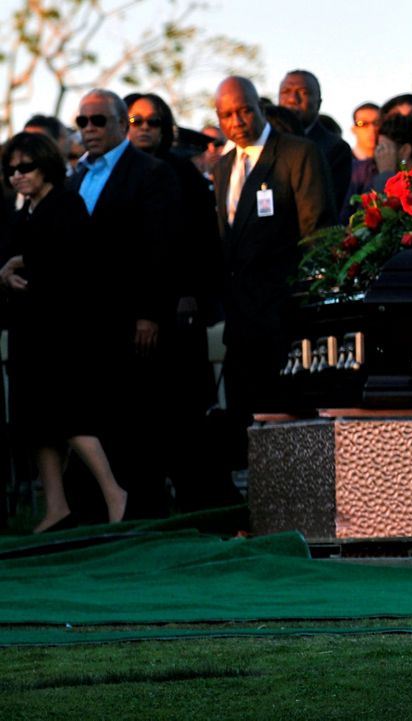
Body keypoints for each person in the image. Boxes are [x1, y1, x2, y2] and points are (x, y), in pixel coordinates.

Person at [0, 132, 129, 532]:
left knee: (70, 417)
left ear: (46, 166)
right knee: (37, 423)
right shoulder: (25, 212)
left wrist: (20, 261)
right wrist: (5, 270)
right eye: (11, 170)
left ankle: (114, 493)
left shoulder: (67, 204)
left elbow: (75, 260)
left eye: (26, 167)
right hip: (30, 331)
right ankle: (56, 506)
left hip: (63, 333)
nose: (17, 176)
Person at [124, 92, 242, 512]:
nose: (143, 127)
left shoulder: (182, 174)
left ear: (166, 127)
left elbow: (204, 244)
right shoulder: (115, 175)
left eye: (153, 121)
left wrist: (192, 293)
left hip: (179, 316)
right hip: (125, 316)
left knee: (186, 414)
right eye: (135, 119)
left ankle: (202, 502)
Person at [67, 87, 181, 520]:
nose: (90, 129)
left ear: (120, 124)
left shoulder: (150, 172)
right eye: (83, 122)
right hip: (85, 321)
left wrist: (150, 313)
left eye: (99, 121)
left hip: (131, 316)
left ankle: (143, 512)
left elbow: (161, 249)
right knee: (95, 412)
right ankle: (98, 512)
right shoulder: (76, 177)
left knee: (136, 416)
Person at [211, 76, 334, 464]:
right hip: (240, 316)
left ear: (259, 107)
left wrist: (300, 299)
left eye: (245, 110)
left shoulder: (297, 153)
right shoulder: (223, 166)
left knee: (287, 417)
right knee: (244, 418)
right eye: (227, 114)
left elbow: (317, 232)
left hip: (284, 313)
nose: (237, 121)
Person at [279, 70, 351, 212]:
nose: (293, 99)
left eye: (303, 93)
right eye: (286, 92)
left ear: (318, 103)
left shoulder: (335, 148)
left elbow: (329, 204)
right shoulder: (268, 143)